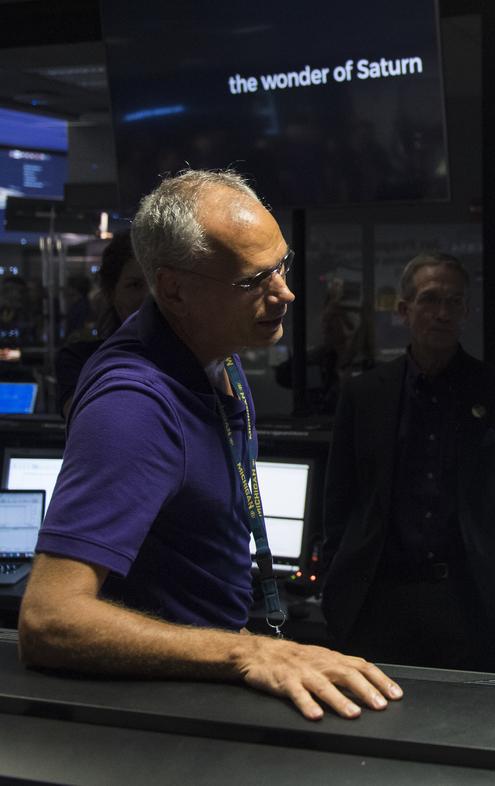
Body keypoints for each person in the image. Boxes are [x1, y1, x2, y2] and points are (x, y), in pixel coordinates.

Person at [18, 169, 402, 722]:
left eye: (282, 265)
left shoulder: (215, 349)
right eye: (253, 281)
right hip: (149, 723)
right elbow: (49, 620)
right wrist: (244, 651)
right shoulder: (133, 406)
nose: (284, 292)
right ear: (174, 289)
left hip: (201, 678)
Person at [321, 252, 495, 672]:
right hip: (378, 599)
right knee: (375, 730)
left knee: (470, 728)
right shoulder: (365, 395)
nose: (442, 313)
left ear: (466, 311)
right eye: (429, 300)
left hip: (471, 599)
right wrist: (335, 584)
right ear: (404, 311)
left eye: (454, 302)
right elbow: (340, 501)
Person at [55, 231, 149, 417]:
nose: (149, 298)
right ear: (111, 293)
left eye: (157, 284)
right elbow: (86, 419)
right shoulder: (79, 359)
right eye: (135, 285)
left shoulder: (196, 357)